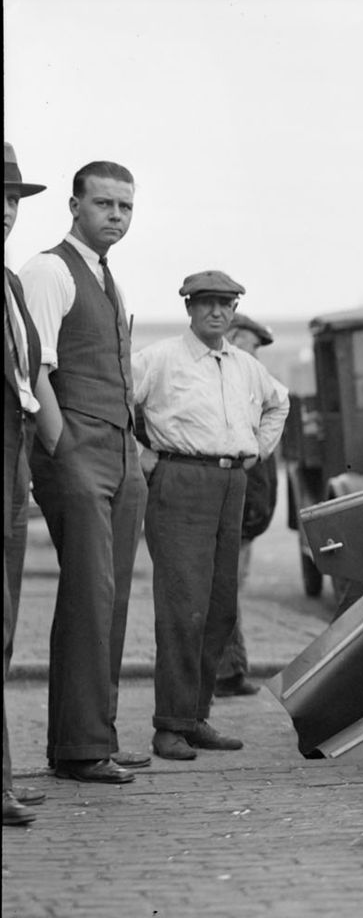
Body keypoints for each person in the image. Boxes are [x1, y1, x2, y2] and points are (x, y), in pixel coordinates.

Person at [19, 160, 149, 784]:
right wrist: (63, 450)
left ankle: (96, 734)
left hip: (120, 453)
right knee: (88, 598)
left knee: (112, 597)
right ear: (74, 206)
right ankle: (77, 749)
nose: (116, 217)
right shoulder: (49, 269)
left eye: (125, 207)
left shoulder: (107, 275)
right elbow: (33, 371)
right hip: (78, 451)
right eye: (103, 205)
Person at [133, 272, 288, 761]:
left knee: (220, 607)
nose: (218, 313)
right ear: (189, 309)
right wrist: (142, 452)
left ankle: (196, 718)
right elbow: (117, 400)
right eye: (207, 304)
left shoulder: (244, 365)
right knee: (183, 605)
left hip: (231, 483)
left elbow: (278, 404)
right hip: (180, 482)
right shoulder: (158, 359)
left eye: (226, 304)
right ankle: (169, 727)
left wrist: (256, 451)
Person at [4, 143, 60, 823]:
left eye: (13, 200)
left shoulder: (12, 284)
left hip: (12, 475)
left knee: (7, 631)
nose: (7, 212)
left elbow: (29, 376)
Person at [213, 311, 278, 698]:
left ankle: (230, 669)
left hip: (247, 514)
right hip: (237, 511)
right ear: (235, 338)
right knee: (226, 590)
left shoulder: (247, 383)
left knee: (230, 590)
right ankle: (226, 672)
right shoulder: (232, 385)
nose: (256, 354)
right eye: (253, 345)